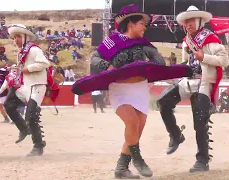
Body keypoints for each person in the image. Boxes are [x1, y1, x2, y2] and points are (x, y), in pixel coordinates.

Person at [73, 4, 192, 179]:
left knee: (137, 127)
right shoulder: (112, 41)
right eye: (141, 24)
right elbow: (95, 59)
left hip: (140, 89)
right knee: (131, 122)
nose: (145, 27)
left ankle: (121, 168)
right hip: (119, 89)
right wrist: (108, 66)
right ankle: (138, 159)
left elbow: (158, 60)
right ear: (131, 24)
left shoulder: (145, 44)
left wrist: (154, 63)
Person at [157, 5, 228, 172]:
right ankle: (176, 135)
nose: (188, 24)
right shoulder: (186, 41)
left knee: (200, 121)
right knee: (163, 102)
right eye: (186, 21)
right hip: (188, 81)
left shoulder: (210, 39)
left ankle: (202, 160)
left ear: (199, 21)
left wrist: (204, 56)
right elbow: (187, 64)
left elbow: (224, 60)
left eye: (191, 21)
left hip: (204, 83)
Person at [5, 24, 51, 156]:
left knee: (31, 116)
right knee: (8, 104)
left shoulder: (34, 50)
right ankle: (24, 129)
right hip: (24, 85)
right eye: (14, 38)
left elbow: (45, 63)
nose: (15, 40)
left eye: (18, 37)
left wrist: (28, 68)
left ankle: (38, 145)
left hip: (37, 85)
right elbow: (23, 67)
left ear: (25, 37)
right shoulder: (22, 52)